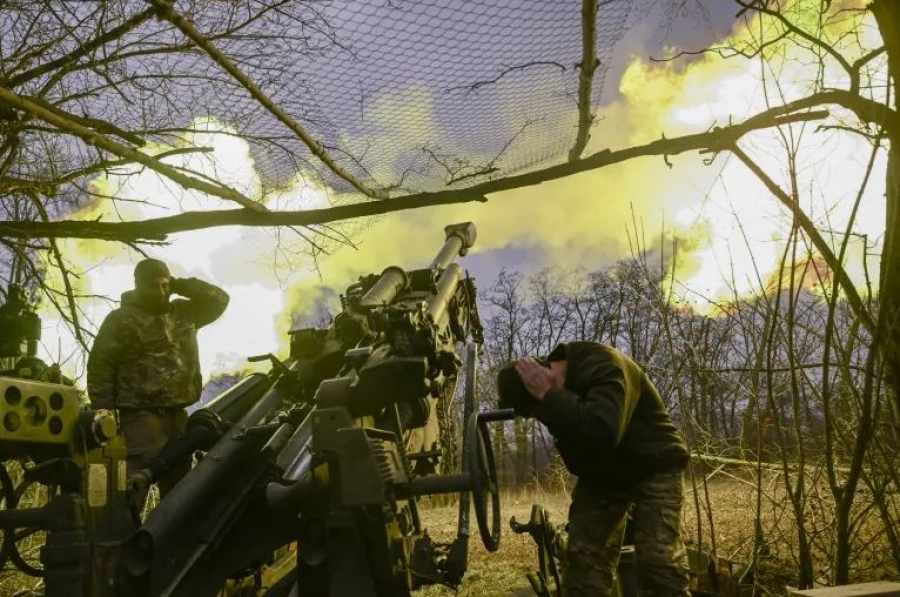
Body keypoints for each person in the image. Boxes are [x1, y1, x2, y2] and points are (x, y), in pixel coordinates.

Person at [497, 341, 691, 596]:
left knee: (658, 562)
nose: (543, 417)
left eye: (539, 410)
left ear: (546, 379)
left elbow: (603, 432)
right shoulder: (559, 399)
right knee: (583, 563)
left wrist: (551, 395)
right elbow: (578, 463)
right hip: (604, 474)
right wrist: (555, 406)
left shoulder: (604, 365)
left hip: (654, 464)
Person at [87, 258, 229, 513]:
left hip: (178, 418)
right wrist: (104, 413)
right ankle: (122, 549)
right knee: (128, 494)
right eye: (154, 286)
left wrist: (180, 284)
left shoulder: (185, 312)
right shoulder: (121, 319)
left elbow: (219, 299)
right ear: (138, 286)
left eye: (166, 285)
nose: (162, 292)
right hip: (140, 420)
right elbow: (101, 367)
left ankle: (167, 551)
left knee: (178, 500)